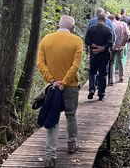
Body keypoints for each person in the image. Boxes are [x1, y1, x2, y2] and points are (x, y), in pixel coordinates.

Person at [37, 15, 83, 168]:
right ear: (73, 28)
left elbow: (40, 63)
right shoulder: (76, 41)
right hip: (70, 86)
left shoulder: (46, 39)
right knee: (71, 116)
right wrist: (64, 82)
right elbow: (75, 66)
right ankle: (71, 144)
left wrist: (52, 80)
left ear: (58, 25)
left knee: (52, 118)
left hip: (52, 88)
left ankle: (50, 157)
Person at [85, 12, 113, 101]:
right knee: (103, 74)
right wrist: (103, 48)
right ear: (105, 20)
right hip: (104, 55)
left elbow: (86, 40)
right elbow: (110, 42)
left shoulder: (91, 28)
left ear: (97, 19)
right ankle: (101, 94)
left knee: (92, 72)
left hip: (94, 54)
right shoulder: (108, 30)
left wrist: (94, 45)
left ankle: (92, 89)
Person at [108, 14, 130, 85]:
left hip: (112, 46)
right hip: (120, 46)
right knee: (120, 61)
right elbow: (127, 34)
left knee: (112, 62)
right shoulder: (123, 24)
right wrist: (124, 44)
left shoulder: (111, 25)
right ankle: (121, 76)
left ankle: (112, 79)